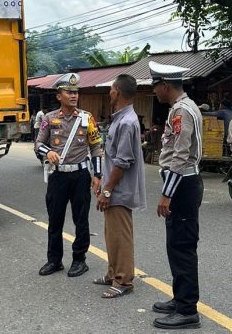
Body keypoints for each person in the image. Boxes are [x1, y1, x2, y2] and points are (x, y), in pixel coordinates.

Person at [149, 62, 204, 330]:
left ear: (166, 86)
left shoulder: (182, 110)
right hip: (183, 183)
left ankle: (187, 309)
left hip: (183, 185)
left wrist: (166, 194)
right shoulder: (182, 107)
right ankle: (180, 298)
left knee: (182, 247)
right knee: (176, 245)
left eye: (156, 86)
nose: (155, 92)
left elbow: (180, 156)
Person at [34, 73, 103, 278]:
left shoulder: (86, 117)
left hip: (80, 175)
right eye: (69, 92)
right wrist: (49, 152)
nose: (73, 96)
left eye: (76, 92)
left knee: (80, 219)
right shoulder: (49, 119)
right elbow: (38, 144)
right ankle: (54, 260)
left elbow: (96, 147)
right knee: (55, 220)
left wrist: (97, 174)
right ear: (59, 96)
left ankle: (79, 260)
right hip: (58, 176)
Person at [94, 74, 147, 298]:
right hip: (113, 187)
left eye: (111, 89)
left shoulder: (126, 122)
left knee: (121, 236)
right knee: (111, 234)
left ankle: (124, 280)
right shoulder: (120, 118)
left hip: (119, 189)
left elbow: (123, 161)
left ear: (117, 91)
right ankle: (113, 273)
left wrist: (107, 189)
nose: (109, 93)